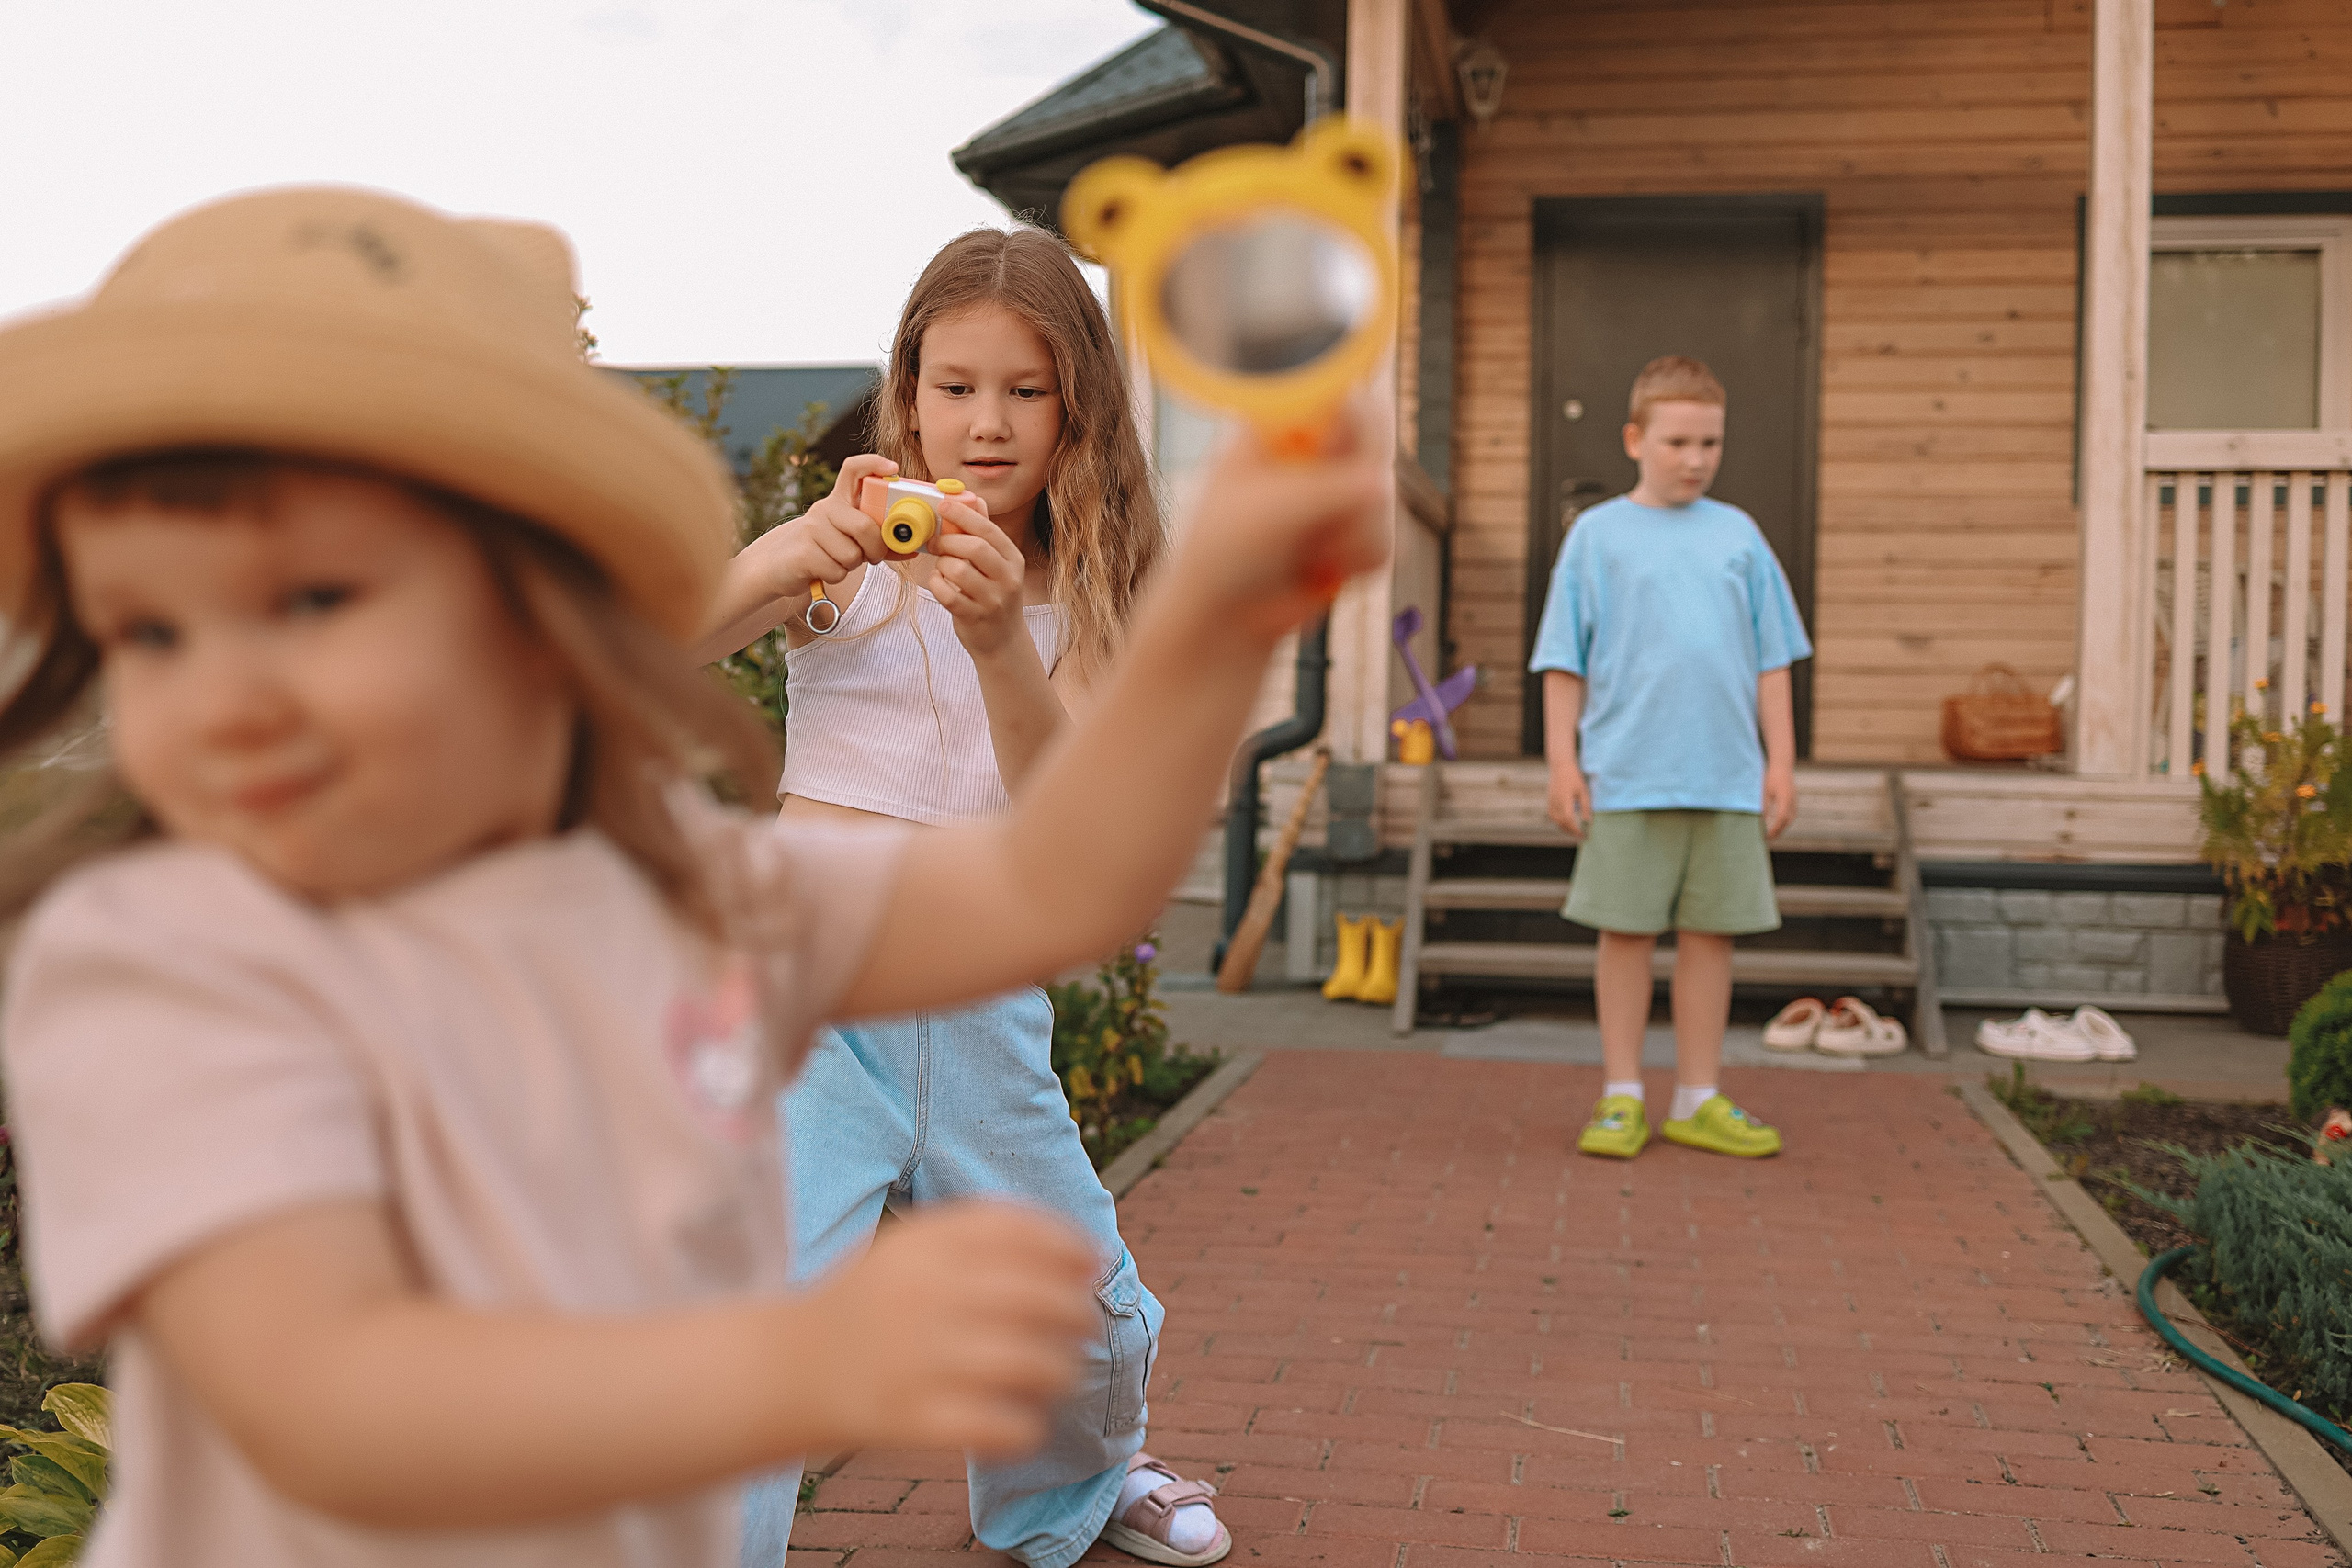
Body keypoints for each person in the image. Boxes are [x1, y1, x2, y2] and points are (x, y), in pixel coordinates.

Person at [0, 188, 1386, 1568]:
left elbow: (1061, 875)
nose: (235, 691)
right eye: (148, 627)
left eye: (320, 602)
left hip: (950, 995)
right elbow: (327, 1397)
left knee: (1075, 1297)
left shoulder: (658, 900)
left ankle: (1067, 1491)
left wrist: (1222, 605)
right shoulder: (144, 961)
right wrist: (789, 1366)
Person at [693, 227, 1228, 1568]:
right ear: (909, 391)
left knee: (1083, 1304)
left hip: (983, 989)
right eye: (955, 385)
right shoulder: (852, 552)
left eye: (1025, 390)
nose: (984, 424)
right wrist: (781, 558)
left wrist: (999, 638)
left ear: (1077, 408)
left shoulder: (1097, 590)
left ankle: (1073, 1488)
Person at [1528, 355, 1811, 1161]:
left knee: (1710, 936)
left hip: (1726, 780)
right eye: (1678, 440)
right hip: (1627, 774)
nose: (1695, 458)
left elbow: (1773, 659)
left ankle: (1697, 1095)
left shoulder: (1740, 536)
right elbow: (1563, 660)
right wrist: (1562, 763)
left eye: (1710, 443)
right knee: (1624, 933)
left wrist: (1780, 764)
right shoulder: (1596, 536)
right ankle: (1621, 1095)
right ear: (1634, 438)